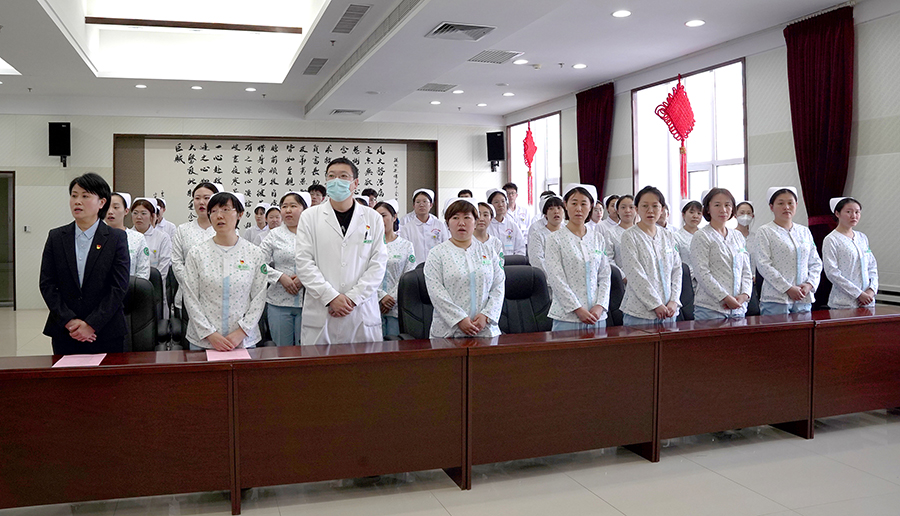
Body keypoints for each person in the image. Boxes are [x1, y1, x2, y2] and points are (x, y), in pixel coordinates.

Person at [294, 157, 388, 345]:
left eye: (343, 176)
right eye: (331, 176)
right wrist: (331, 297)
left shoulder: (373, 218)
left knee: (363, 363)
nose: (336, 181)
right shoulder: (309, 216)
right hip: (322, 311)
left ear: (355, 183)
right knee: (319, 363)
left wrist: (352, 299)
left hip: (361, 312)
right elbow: (304, 263)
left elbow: (378, 264)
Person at [40, 173, 129, 355]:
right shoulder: (56, 237)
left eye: (85, 196)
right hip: (66, 331)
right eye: (74, 196)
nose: (77, 201)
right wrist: (69, 321)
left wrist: (92, 324)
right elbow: (47, 284)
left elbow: (119, 287)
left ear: (101, 202)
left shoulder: (116, 238)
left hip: (105, 331)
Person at [182, 192, 268, 350]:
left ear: (240, 214)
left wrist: (241, 332)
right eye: (213, 211)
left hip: (243, 340)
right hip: (203, 341)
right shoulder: (197, 253)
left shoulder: (254, 253)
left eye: (225, 210)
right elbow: (190, 297)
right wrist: (210, 334)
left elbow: (259, 296)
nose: (219, 216)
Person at [424, 199, 504, 338]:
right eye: (455, 218)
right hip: (448, 333)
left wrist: (486, 315)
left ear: (475, 222)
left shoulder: (488, 251)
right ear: (447, 223)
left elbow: (499, 285)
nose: (461, 223)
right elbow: (436, 292)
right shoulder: (437, 253)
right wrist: (459, 319)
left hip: (485, 331)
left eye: (467, 217)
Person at [545, 184, 611, 330]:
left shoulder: (598, 238)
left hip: (597, 316)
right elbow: (556, 279)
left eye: (583, 204)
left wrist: (600, 305)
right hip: (567, 318)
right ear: (565, 205)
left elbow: (605, 275)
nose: (579, 209)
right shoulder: (555, 239)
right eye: (574, 203)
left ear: (591, 206)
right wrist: (577, 309)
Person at [750, 186, 822, 315]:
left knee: (804, 328)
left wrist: (810, 284)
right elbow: (763, 264)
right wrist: (788, 288)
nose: (786, 207)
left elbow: (815, 262)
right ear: (771, 207)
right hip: (776, 299)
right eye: (781, 203)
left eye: (790, 203)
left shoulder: (804, 231)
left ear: (796, 205)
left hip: (803, 297)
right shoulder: (765, 231)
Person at [620, 186, 682, 326]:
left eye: (655, 206)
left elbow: (677, 269)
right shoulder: (630, 236)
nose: (650, 210)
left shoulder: (668, 235)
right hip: (640, 312)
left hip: (669, 311)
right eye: (645, 206)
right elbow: (635, 274)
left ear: (662, 209)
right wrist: (655, 304)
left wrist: (674, 301)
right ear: (637, 209)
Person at [690, 188, 753, 320]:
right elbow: (702, 273)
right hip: (710, 309)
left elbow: (746, 270)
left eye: (727, 205)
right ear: (708, 209)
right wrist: (724, 297)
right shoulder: (701, 236)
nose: (723, 210)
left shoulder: (737, 236)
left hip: (738, 308)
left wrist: (745, 295)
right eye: (717, 205)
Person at [259, 192, 310, 346]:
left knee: (307, 349)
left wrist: (304, 278)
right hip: (278, 302)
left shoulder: (313, 233)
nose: (288, 210)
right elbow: (258, 263)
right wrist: (280, 277)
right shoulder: (274, 235)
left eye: (293, 206)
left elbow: (324, 262)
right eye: (284, 206)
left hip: (309, 302)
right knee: (282, 351)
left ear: (304, 209)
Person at [822, 197, 878, 308]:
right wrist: (858, 294)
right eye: (849, 212)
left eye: (857, 212)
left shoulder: (862, 237)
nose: (854, 216)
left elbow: (872, 266)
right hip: (843, 303)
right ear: (837, 213)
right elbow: (832, 273)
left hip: (867, 302)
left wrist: (871, 290)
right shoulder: (831, 240)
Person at [171, 182, 217, 314]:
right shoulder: (183, 230)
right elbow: (177, 262)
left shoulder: (225, 230)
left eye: (206, 198)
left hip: (217, 296)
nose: (201, 202)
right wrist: (192, 284)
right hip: (187, 294)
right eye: (197, 198)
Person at [374, 199, 417, 336]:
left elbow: (408, 275)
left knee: (394, 342)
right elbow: (364, 274)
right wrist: (381, 296)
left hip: (397, 306)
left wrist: (391, 298)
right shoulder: (369, 245)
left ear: (394, 217)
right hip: (373, 304)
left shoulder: (406, 245)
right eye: (377, 216)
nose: (380, 220)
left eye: (383, 215)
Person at [105, 192, 150, 280]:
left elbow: (143, 273)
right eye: (106, 207)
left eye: (115, 207)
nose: (110, 212)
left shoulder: (137, 238)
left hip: (130, 287)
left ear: (126, 211)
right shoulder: (96, 236)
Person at [398, 188, 448, 263]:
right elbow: (404, 251)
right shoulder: (407, 228)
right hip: (414, 266)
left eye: (425, 201)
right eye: (418, 202)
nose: (421, 205)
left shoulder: (439, 225)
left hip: (436, 265)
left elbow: (445, 246)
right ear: (414, 206)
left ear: (431, 205)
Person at [132, 197, 172, 282]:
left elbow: (163, 266)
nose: (138, 217)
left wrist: (150, 284)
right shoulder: (125, 236)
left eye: (143, 213)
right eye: (135, 213)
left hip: (154, 285)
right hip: (129, 284)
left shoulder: (163, 237)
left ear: (152, 216)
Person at [527, 195, 565, 272]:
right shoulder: (537, 236)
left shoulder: (569, 233)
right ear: (545, 215)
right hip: (547, 277)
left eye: (559, 208)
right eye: (551, 208)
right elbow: (537, 261)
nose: (556, 211)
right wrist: (556, 276)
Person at [486, 188, 526, 256]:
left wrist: (516, 260)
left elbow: (520, 248)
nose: (500, 205)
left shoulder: (513, 226)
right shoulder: (487, 226)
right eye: (496, 202)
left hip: (512, 261)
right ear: (490, 205)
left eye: (503, 201)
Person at [675, 200, 703, 282]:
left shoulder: (705, 235)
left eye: (699, 213)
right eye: (691, 212)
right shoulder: (676, 237)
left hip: (706, 281)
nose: (695, 216)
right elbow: (676, 263)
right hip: (686, 280)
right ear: (683, 215)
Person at [608, 194, 636, 271]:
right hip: (619, 276)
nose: (627, 211)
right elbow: (608, 259)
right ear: (617, 210)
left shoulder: (641, 232)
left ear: (636, 210)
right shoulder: (610, 233)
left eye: (631, 207)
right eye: (623, 207)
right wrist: (622, 275)